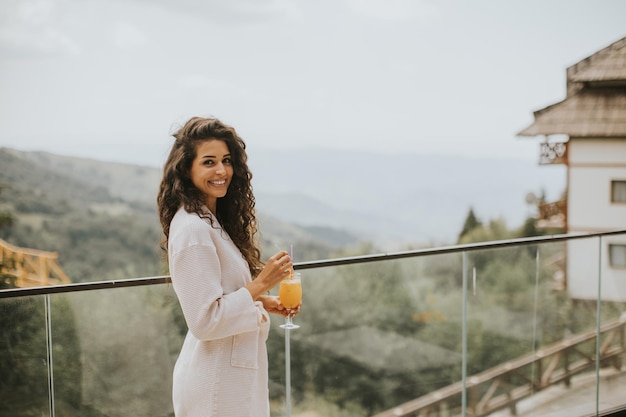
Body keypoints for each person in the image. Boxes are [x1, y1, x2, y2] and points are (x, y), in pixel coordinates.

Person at [157, 116, 297, 417]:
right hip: (215, 386)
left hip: (228, 378)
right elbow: (205, 320)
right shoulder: (194, 231)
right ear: (187, 168)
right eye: (209, 162)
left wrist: (262, 301)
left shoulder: (210, 220)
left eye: (226, 160)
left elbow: (219, 294)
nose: (221, 171)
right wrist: (261, 283)